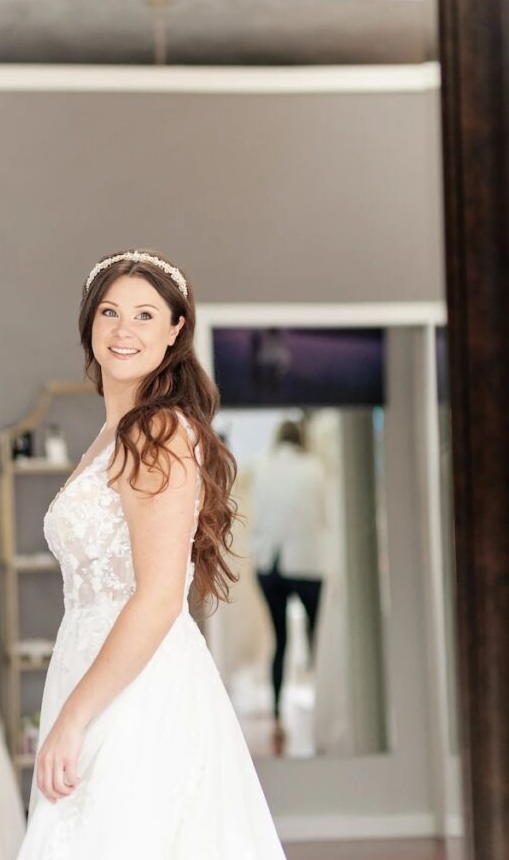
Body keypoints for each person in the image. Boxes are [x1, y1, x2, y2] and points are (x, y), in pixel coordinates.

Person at [17, 249, 287, 858]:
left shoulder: (156, 431)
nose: (123, 329)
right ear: (90, 325)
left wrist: (74, 718)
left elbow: (162, 594)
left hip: (138, 689)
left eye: (144, 315)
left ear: (174, 332)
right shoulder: (114, 434)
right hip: (92, 666)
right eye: (110, 312)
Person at [250, 420, 327, 750]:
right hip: (307, 562)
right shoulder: (315, 469)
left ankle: (279, 714)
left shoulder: (262, 467)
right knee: (317, 640)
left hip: (269, 563)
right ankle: (323, 708)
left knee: (279, 640)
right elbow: (322, 515)